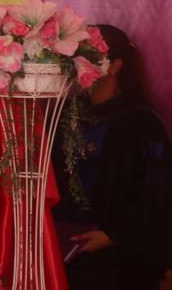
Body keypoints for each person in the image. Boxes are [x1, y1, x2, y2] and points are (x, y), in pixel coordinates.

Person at [53, 24, 172, 290]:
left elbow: (157, 195)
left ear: (115, 66)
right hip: (64, 244)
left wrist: (112, 236)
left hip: (119, 250)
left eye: (88, 57)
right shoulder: (67, 114)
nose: (78, 65)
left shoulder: (142, 122)